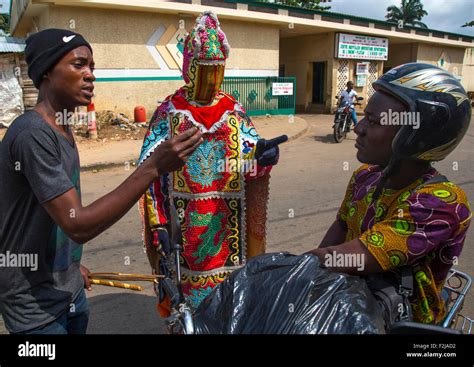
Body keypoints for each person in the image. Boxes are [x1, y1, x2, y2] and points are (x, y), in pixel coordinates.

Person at [0, 29, 202, 334]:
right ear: (46, 72)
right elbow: (78, 223)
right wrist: (153, 167)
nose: (90, 75)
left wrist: (70, 266)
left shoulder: (62, 127)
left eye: (92, 67)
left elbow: (56, 213)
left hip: (68, 289)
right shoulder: (33, 134)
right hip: (34, 306)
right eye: (79, 65)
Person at [138, 11, 283, 313]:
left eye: (217, 71)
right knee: (184, 304)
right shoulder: (169, 112)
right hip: (182, 229)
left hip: (229, 230)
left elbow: (250, 155)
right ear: (190, 68)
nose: (211, 79)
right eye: (205, 71)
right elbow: (148, 173)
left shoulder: (233, 110)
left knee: (227, 305)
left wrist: (262, 158)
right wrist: (157, 225)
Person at [308, 63, 471, 325]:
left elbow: (354, 257)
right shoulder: (366, 176)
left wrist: (292, 267)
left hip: (401, 323)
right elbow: (340, 225)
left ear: (418, 135)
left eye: (373, 121)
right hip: (347, 303)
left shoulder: (441, 202)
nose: (358, 128)